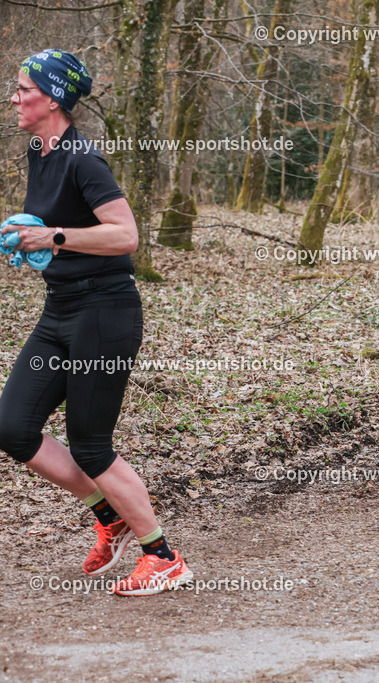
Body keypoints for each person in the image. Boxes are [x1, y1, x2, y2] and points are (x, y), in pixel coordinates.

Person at [0, 49, 192, 596]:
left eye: (23, 90)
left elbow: (125, 235)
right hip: (60, 309)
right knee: (12, 427)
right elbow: (60, 222)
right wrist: (28, 237)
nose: (14, 98)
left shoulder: (83, 158)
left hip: (104, 313)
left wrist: (53, 236)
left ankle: (163, 557)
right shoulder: (39, 151)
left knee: (90, 444)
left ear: (52, 98)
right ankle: (109, 516)